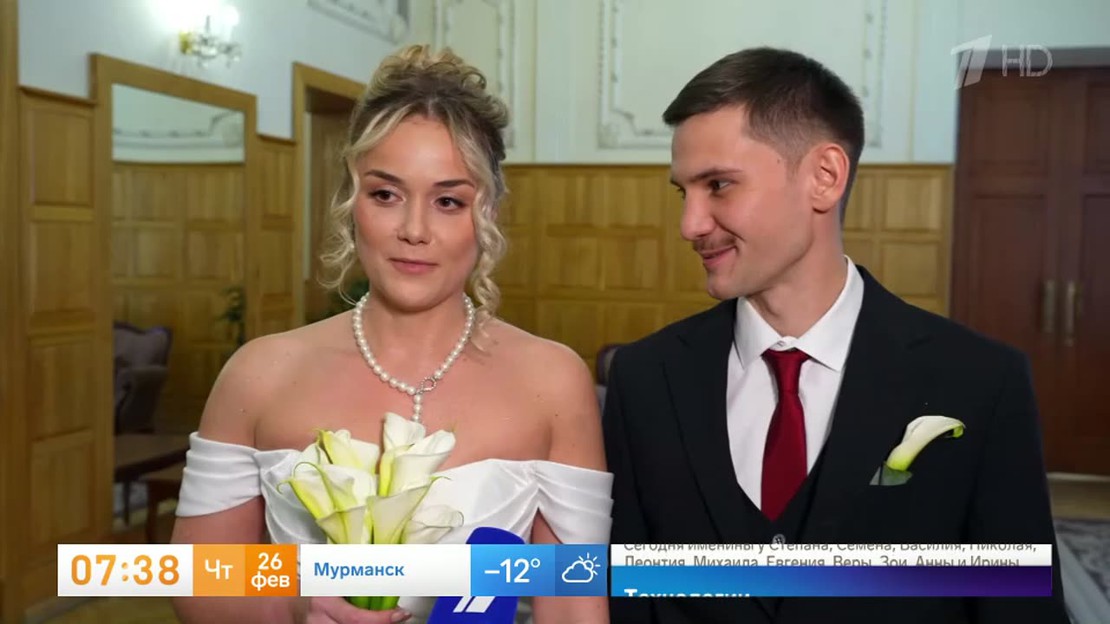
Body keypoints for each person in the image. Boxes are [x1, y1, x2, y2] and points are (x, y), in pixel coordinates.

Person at [602, 47, 1068, 624]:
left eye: (718, 185)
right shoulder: (645, 378)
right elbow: (624, 591)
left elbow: (1020, 607)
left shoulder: (980, 381)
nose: (689, 224)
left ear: (824, 178)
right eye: (684, 192)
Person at [171, 45, 611, 624]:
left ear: (488, 215)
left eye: (448, 201)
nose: (413, 229)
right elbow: (195, 584)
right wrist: (298, 602)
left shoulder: (553, 381)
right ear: (352, 203)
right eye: (386, 194)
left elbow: (574, 598)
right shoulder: (258, 373)